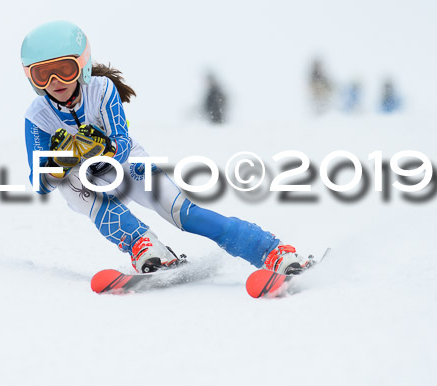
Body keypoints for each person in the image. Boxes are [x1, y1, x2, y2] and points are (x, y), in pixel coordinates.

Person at [22, 20, 312, 275]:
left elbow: (122, 142)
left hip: (125, 163)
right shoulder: (37, 116)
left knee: (183, 214)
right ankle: (143, 245)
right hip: (86, 179)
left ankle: (270, 250)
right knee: (70, 184)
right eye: (42, 74)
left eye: (63, 69)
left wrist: (104, 150)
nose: (55, 81)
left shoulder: (100, 90)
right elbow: (39, 184)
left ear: (82, 65)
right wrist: (56, 166)